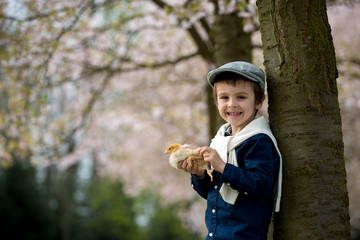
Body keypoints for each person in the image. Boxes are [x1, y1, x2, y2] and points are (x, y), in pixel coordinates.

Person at [178, 61, 282, 240]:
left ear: (259, 101)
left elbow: (260, 186)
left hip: (244, 235)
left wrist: (222, 166)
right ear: (216, 101)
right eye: (224, 97)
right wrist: (199, 174)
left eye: (241, 97)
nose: (232, 104)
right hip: (215, 234)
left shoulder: (258, 141)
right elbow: (213, 192)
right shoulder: (219, 140)